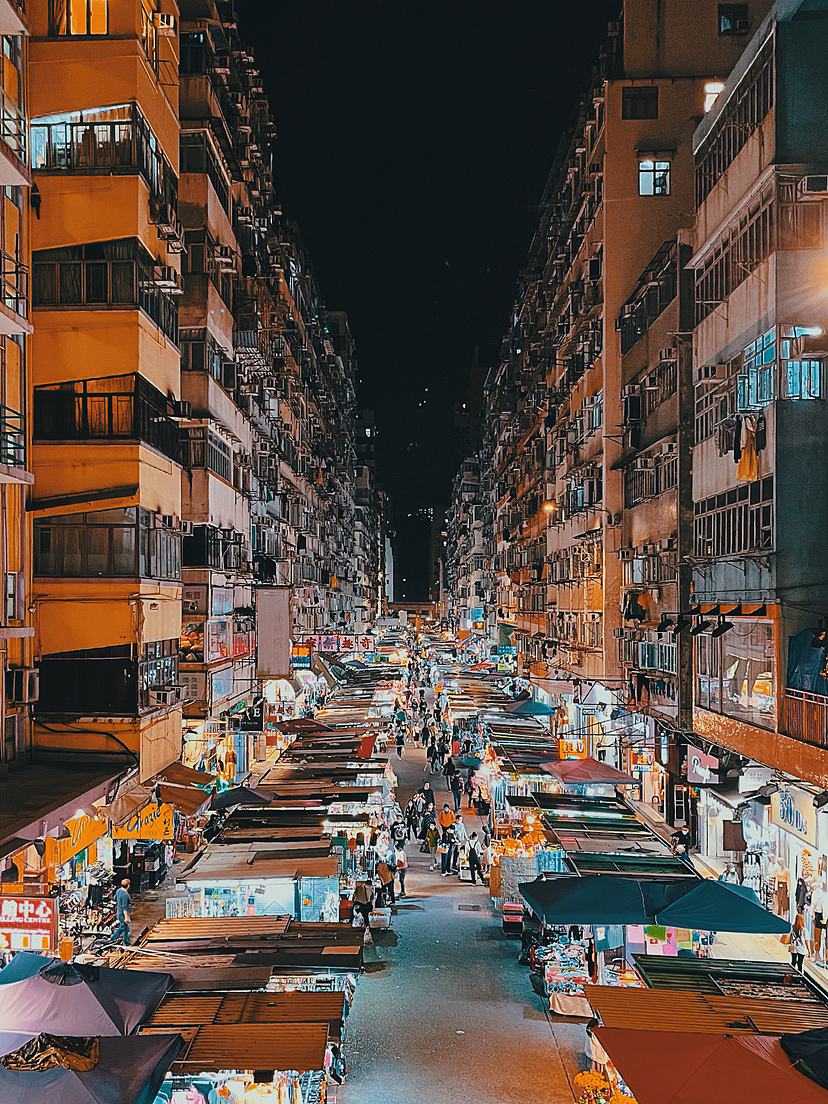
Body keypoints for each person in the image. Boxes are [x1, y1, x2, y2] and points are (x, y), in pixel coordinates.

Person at [112, 878, 132, 945]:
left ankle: (127, 942)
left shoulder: (118, 891)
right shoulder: (125, 895)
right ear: (128, 886)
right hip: (123, 913)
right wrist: (126, 917)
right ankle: (113, 938)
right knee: (122, 927)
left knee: (126, 929)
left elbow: (115, 898)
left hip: (119, 911)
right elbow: (125, 907)